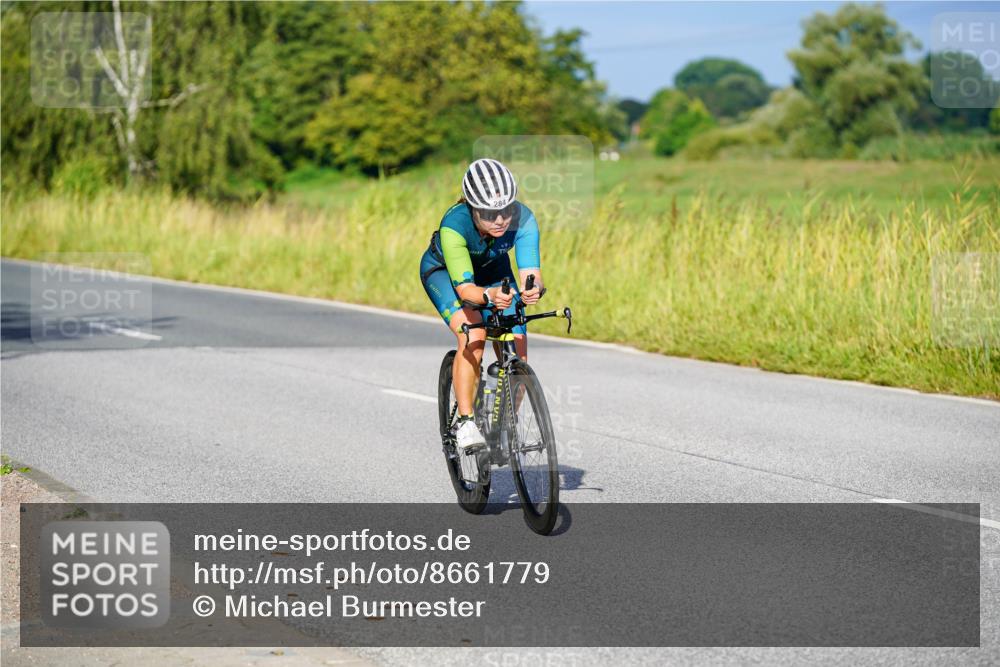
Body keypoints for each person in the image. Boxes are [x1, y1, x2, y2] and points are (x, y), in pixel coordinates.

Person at [419, 158, 544, 450]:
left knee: (518, 339)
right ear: (472, 207)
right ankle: (465, 422)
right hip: (446, 274)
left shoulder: (523, 218)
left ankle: (506, 425)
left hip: (493, 271)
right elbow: (466, 290)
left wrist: (532, 289)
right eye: (489, 213)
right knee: (473, 333)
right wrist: (488, 297)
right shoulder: (454, 225)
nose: (500, 220)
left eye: (505, 210)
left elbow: (531, 273)